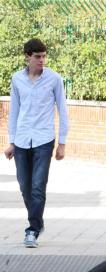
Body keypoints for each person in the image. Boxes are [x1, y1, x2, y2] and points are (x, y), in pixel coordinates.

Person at [4, 38, 69, 248]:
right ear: (28, 57)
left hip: (44, 139)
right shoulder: (16, 79)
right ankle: (38, 221)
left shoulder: (54, 79)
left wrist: (62, 142)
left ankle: (32, 230)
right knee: (25, 186)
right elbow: (14, 112)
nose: (42, 60)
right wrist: (11, 141)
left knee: (38, 187)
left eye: (43, 56)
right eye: (37, 56)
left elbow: (63, 110)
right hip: (22, 140)